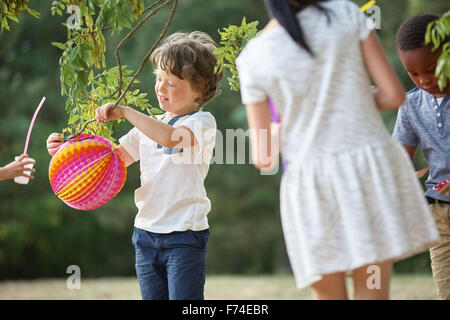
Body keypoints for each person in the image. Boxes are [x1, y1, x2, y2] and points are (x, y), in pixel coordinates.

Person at [236, 0, 439, 300]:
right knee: (372, 292)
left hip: (311, 188)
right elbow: (395, 96)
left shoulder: (253, 56)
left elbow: (263, 156)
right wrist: (348, 102)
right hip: (368, 172)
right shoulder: (346, 15)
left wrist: (293, 124)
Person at [46, 31, 223, 300]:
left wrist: (127, 112)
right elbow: (109, 162)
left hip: (185, 236)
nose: (161, 88)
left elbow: (171, 139)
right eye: (159, 79)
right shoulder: (146, 128)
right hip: (146, 235)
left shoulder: (202, 123)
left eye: (172, 83)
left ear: (198, 90)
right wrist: (65, 153)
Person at [393, 13, 450, 300]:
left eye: (431, 69)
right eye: (414, 74)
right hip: (439, 215)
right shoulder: (410, 106)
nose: (425, 80)